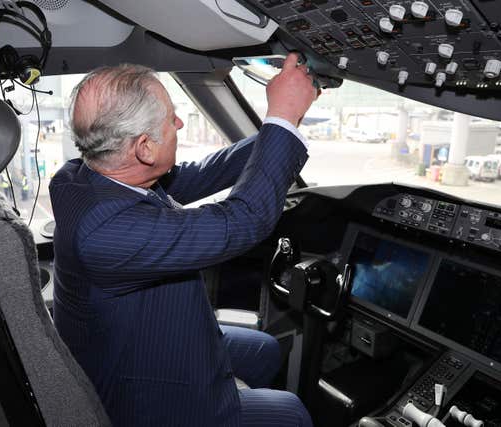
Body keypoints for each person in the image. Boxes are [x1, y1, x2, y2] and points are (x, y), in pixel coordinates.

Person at [50, 53, 319, 427]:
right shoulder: (105, 233)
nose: (178, 121)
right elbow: (242, 221)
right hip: (145, 392)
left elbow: (205, 172)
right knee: (291, 413)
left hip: (147, 332)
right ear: (143, 148)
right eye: (170, 119)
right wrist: (282, 119)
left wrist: (281, 127)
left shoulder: (87, 173)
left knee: (265, 349)